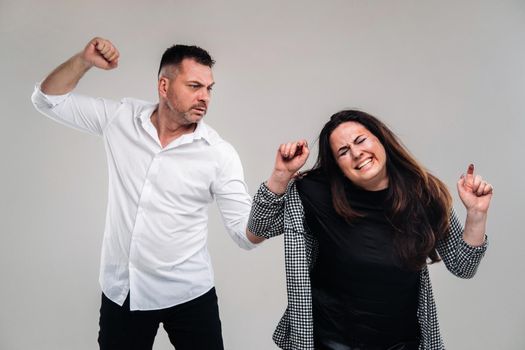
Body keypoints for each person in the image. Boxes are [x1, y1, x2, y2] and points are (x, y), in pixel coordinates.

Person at [31, 37, 264, 350]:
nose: (204, 97)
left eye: (209, 88)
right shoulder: (121, 119)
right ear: (164, 86)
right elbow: (46, 100)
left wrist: (275, 187)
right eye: (194, 85)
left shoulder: (219, 154)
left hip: (189, 294)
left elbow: (244, 235)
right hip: (123, 290)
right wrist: (84, 60)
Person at [248, 110, 492, 350]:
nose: (356, 153)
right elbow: (257, 230)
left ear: (380, 139)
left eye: (360, 140)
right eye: (343, 152)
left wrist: (477, 214)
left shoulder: (423, 192)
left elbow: (463, 266)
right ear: (337, 165)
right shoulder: (315, 193)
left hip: (403, 343)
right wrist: (281, 175)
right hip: (332, 342)